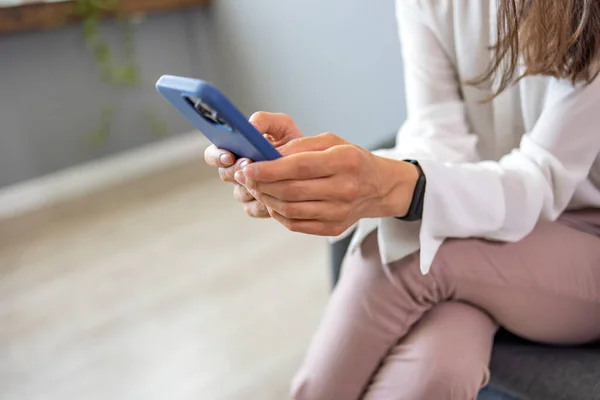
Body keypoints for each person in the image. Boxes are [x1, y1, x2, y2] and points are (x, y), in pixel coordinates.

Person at [204, 0, 600, 398]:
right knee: (439, 367)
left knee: (408, 253)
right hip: (482, 218)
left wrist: (396, 187)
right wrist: (322, 167)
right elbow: (436, 134)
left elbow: (542, 179)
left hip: (584, 241)